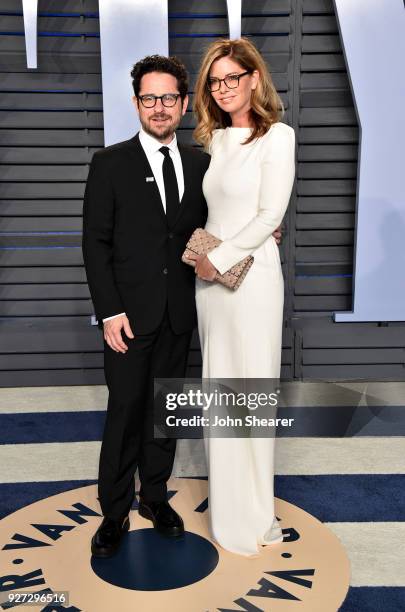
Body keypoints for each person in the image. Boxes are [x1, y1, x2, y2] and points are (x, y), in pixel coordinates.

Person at [82, 55, 210, 557]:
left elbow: (205, 234)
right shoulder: (109, 163)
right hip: (128, 318)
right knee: (125, 412)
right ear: (137, 102)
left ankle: (154, 497)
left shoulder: (202, 162)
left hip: (179, 312)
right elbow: (95, 243)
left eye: (169, 98)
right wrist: (110, 311)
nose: (160, 108)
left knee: (166, 412)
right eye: (149, 98)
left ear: (183, 103)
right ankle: (113, 511)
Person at [188, 38, 296, 556]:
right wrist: (208, 259)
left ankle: (256, 513)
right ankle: (229, 511)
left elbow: (270, 216)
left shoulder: (279, 137)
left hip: (252, 280)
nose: (225, 88)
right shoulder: (214, 140)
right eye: (215, 81)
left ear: (255, 78)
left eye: (234, 77)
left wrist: (222, 256)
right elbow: (215, 212)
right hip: (210, 281)